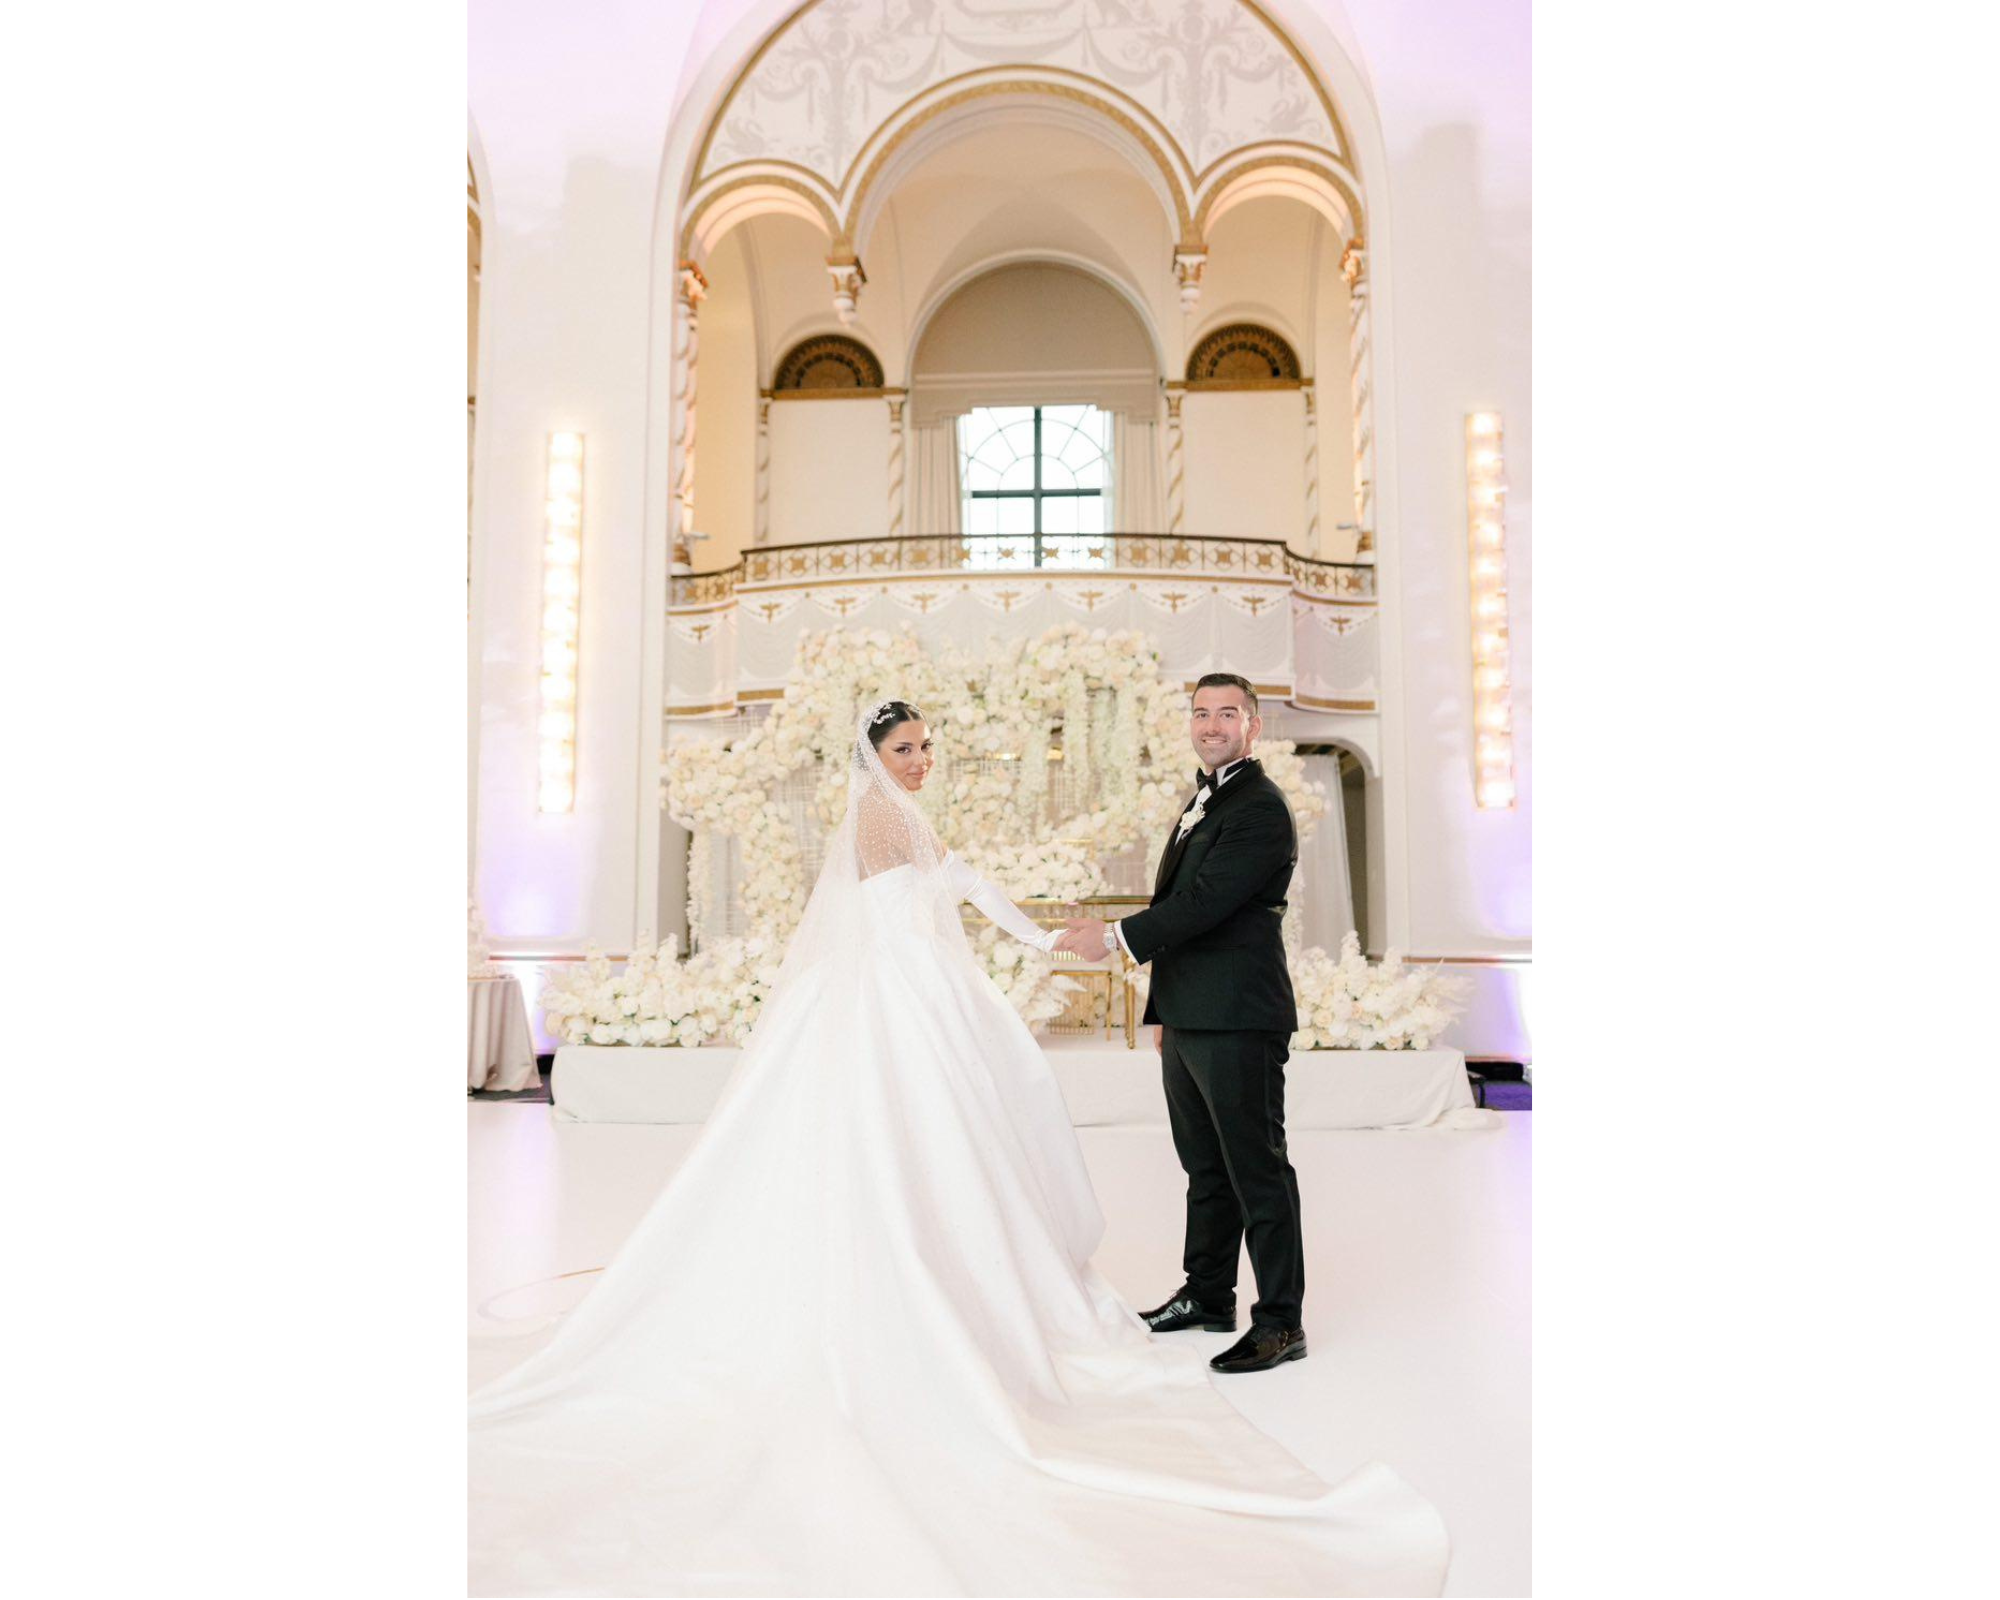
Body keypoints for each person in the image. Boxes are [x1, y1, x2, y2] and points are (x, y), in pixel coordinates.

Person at [468, 699, 1447, 1597]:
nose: (923, 760)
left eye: (927, 745)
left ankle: (1209, 1300)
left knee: (1048, 1146)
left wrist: (1065, 941)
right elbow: (924, 909)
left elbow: (962, 893)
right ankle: (940, 1290)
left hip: (945, 992)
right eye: (906, 748)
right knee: (908, 1144)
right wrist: (1039, 947)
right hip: (899, 1001)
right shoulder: (880, 819)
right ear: (875, 757)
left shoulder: (908, 816)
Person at [1063, 673, 1307, 1374]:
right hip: (1194, 1013)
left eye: (1227, 713)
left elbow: (1205, 904)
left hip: (1238, 1016)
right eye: (1201, 713)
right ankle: (1207, 1296)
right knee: (1206, 1168)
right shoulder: (1207, 797)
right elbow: (1184, 904)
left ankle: (1282, 1322)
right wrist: (1167, 1009)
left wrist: (1112, 936)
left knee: (1257, 1170)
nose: (1211, 724)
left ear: (1252, 725)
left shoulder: (1259, 807)